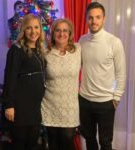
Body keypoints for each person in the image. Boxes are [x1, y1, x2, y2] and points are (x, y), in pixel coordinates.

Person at [79, 2, 126, 150]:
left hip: (106, 102)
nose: (94, 21)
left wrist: (116, 96)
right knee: (89, 140)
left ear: (104, 18)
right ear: (86, 19)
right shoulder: (82, 40)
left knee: (105, 143)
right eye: (91, 17)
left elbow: (121, 73)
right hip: (85, 100)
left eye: (98, 17)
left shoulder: (114, 42)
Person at [0, 13, 46, 150]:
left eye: (36, 27)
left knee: (32, 143)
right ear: (23, 30)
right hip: (20, 107)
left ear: (40, 29)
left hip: (35, 107)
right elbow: (9, 77)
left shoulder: (39, 49)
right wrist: (9, 104)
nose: (33, 31)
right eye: (28, 28)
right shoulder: (16, 50)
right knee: (19, 144)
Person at [41, 18, 81, 150]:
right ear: (52, 33)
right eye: (58, 30)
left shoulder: (78, 50)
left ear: (70, 34)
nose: (61, 33)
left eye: (65, 31)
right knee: (53, 143)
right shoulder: (45, 52)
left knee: (67, 141)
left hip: (70, 107)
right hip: (49, 105)